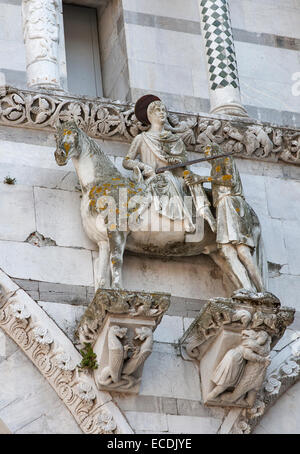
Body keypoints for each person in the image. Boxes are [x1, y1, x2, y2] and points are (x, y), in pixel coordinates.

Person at [122, 95, 216, 234]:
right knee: (165, 180)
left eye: (163, 110)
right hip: (152, 177)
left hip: (174, 177)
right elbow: (126, 161)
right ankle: (185, 220)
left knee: (178, 180)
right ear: (149, 115)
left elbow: (184, 163)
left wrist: (177, 163)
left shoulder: (175, 139)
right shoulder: (141, 138)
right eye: (157, 110)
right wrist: (144, 167)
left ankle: (204, 214)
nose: (162, 113)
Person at [185, 144, 265, 291]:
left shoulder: (225, 159)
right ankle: (247, 289)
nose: (207, 153)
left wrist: (202, 178)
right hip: (221, 207)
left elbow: (230, 181)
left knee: (242, 251)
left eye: (209, 150)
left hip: (232, 203)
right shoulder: (214, 167)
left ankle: (262, 291)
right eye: (205, 151)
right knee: (226, 251)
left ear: (217, 150)